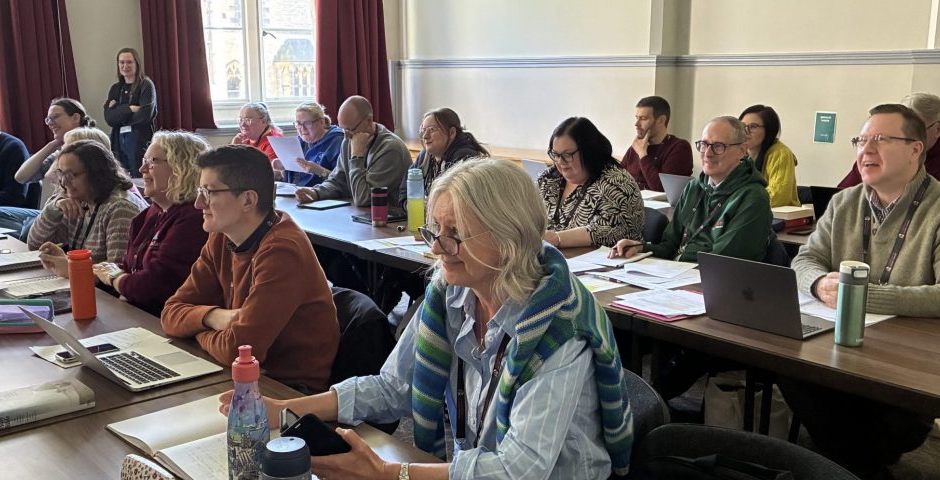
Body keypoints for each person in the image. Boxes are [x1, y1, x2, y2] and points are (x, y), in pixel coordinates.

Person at [221, 158, 634, 479]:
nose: (437, 248)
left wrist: (389, 473)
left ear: (509, 238)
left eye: (454, 233)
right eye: (434, 230)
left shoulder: (560, 328)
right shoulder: (451, 291)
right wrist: (286, 410)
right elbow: (396, 385)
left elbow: (520, 469)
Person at [782, 103, 940, 478]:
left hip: (908, 363)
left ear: (916, 149)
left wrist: (860, 295)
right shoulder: (845, 201)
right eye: (861, 140)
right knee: (785, 365)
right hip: (836, 347)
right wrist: (818, 282)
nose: (866, 150)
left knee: (876, 425)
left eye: (880, 140)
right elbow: (804, 260)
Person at [161, 145, 339, 392]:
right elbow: (170, 313)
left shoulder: (282, 250)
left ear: (248, 200)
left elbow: (237, 349)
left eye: (209, 192)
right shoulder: (222, 237)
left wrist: (195, 330)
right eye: (200, 191)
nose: (199, 203)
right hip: (239, 375)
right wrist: (213, 317)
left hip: (287, 390)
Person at [611, 116, 773, 262]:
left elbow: (722, 261)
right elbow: (670, 245)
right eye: (704, 145)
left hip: (715, 283)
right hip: (677, 274)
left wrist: (677, 261)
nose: (707, 154)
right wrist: (641, 248)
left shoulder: (753, 197)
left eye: (718, 146)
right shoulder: (695, 186)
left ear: (742, 151)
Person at [93, 131, 211, 316]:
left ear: (182, 167)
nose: (142, 170)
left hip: (168, 322)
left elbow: (152, 286)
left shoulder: (194, 218)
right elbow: (129, 269)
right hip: (141, 315)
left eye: (152, 161)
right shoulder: (151, 213)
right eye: (143, 161)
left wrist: (116, 279)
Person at [0, 98, 98, 239]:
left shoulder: (92, 146)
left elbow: (51, 175)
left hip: (73, 211)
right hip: (55, 208)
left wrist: (64, 145)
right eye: (48, 119)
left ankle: (33, 234)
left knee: (29, 230)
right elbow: (21, 177)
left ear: (75, 117)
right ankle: (32, 233)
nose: (51, 123)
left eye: (55, 117)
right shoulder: (58, 150)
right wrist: (53, 144)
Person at [30, 140, 149, 277]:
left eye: (71, 175)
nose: (63, 182)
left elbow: (117, 275)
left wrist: (71, 268)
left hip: (108, 296)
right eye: (61, 174)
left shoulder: (121, 208)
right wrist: (53, 209)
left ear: (96, 174)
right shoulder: (80, 200)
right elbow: (34, 245)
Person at [294, 96, 412, 213]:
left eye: (350, 129)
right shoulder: (348, 139)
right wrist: (316, 193)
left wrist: (356, 157)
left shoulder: (390, 148)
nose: (346, 136)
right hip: (362, 215)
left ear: (369, 120)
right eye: (343, 130)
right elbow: (338, 181)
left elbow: (364, 199)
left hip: (391, 221)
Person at [539, 116, 643, 248]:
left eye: (567, 155)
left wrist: (556, 238)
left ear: (588, 152)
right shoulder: (550, 178)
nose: (559, 162)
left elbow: (605, 230)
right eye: (555, 154)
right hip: (554, 258)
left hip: (606, 263)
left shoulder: (617, 183)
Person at [839, 93, 940, 194]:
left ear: (938, 129)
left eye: (916, 130)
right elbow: (841, 195)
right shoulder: (874, 153)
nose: (905, 136)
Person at [397, 107, 488, 209]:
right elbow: (405, 190)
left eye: (432, 130)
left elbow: (458, 203)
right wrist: (409, 205)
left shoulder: (464, 159)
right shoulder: (424, 157)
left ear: (452, 133)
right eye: (423, 130)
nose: (425, 136)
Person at [620, 96, 694, 191]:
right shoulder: (636, 146)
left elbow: (662, 189)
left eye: (643, 118)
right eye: (637, 118)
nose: (637, 124)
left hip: (660, 205)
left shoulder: (679, 147)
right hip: (630, 203)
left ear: (661, 120)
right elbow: (617, 179)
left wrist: (643, 155)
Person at [105, 47, 158, 177]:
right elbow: (109, 118)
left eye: (129, 62)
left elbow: (144, 116)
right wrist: (130, 109)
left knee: (141, 176)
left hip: (140, 140)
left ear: (136, 64)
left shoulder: (146, 85)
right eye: (121, 62)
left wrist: (119, 113)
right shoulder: (116, 88)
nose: (125, 66)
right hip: (118, 141)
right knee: (121, 177)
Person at [740, 104, 800, 207]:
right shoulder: (738, 153)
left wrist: (740, 203)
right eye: (742, 126)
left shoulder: (780, 153)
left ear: (769, 130)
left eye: (753, 127)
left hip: (779, 217)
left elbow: (778, 197)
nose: (746, 132)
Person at [286, 101, 343, 187]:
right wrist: (284, 168)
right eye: (298, 124)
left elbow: (343, 181)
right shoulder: (299, 142)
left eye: (308, 123)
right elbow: (295, 179)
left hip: (325, 195)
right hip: (298, 191)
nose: (302, 129)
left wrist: (319, 171)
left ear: (322, 122)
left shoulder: (337, 141)